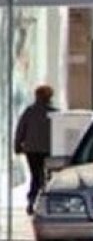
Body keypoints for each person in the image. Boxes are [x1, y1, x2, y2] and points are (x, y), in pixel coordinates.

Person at [14, 84, 56, 215]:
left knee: (35, 175)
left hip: (31, 149)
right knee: (47, 176)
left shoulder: (29, 111)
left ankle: (32, 200)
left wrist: (18, 145)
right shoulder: (54, 113)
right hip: (48, 149)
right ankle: (43, 201)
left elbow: (20, 129)